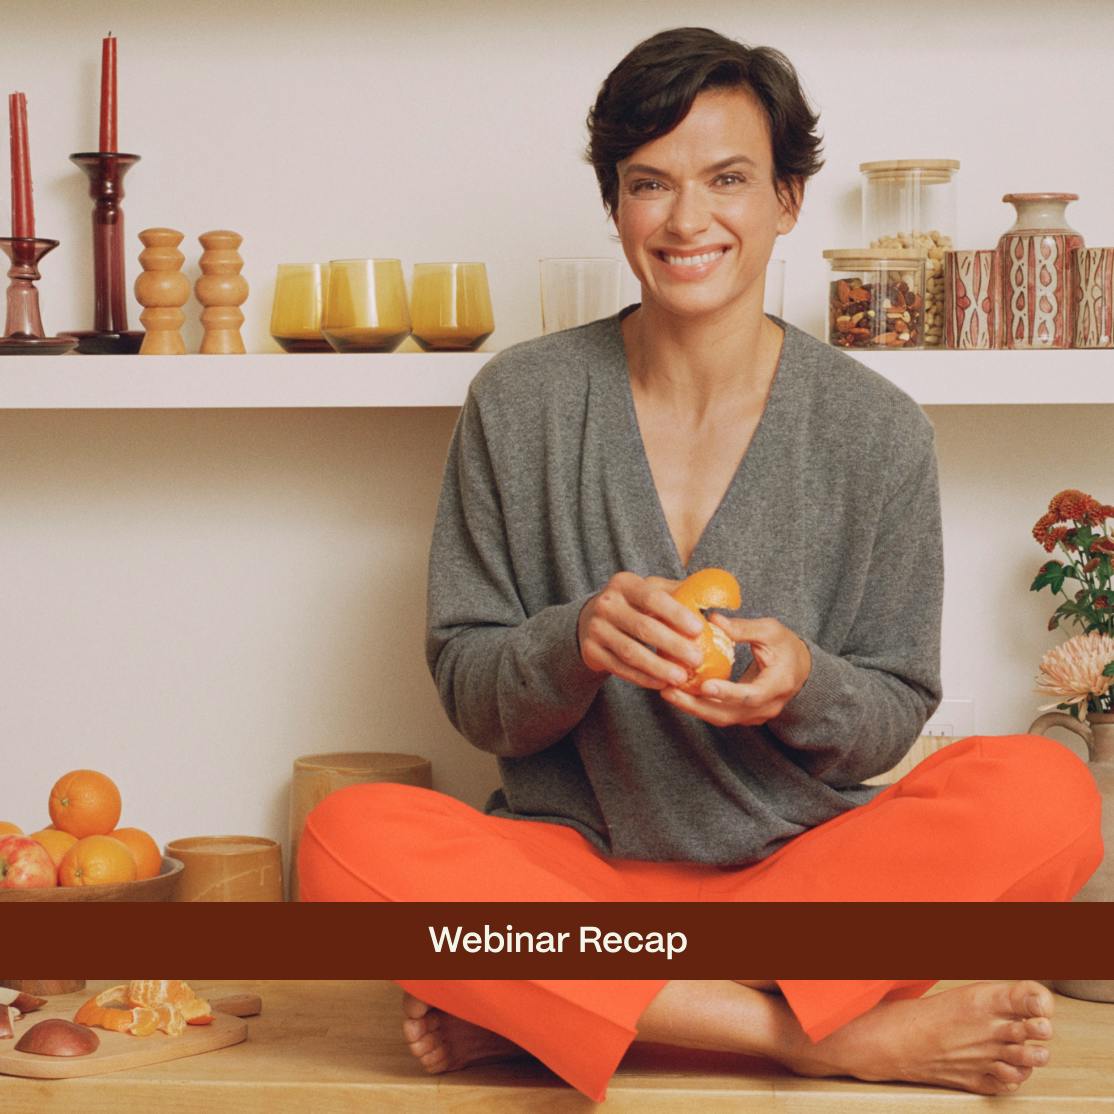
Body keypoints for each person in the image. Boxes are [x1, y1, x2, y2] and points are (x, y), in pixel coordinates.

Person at [298, 26, 1102, 1102]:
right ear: (613, 202)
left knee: (1050, 791)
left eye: (726, 179)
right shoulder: (521, 400)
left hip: (802, 891)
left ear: (787, 198)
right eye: (649, 184)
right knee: (346, 840)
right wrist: (573, 642)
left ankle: (566, 1003)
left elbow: (896, 704)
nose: (687, 221)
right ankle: (800, 1037)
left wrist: (803, 682)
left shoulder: (877, 428)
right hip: (570, 875)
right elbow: (470, 692)